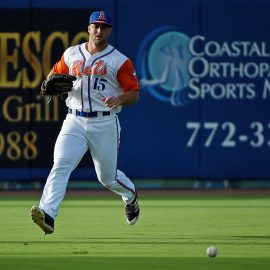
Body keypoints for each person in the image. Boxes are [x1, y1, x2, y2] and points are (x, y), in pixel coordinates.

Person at [30, 10, 140, 234]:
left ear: (109, 30)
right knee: (61, 164)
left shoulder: (119, 60)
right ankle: (48, 214)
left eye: (103, 26)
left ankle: (131, 196)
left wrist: (119, 98)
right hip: (74, 119)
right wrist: (50, 80)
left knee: (107, 178)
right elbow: (55, 73)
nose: (99, 30)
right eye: (95, 26)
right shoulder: (72, 53)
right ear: (89, 28)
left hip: (105, 122)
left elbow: (134, 93)